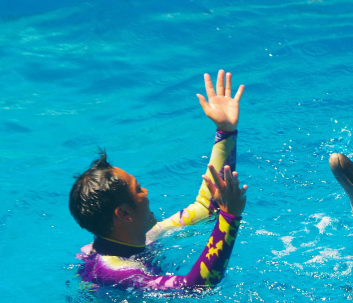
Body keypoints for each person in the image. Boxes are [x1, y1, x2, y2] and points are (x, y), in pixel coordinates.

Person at [69, 69, 249, 291]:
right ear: (124, 214)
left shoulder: (139, 236)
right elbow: (194, 288)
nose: (146, 192)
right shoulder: (115, 271)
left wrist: (226, 131)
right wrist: (230, 218)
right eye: (138, 189)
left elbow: (206, 207)